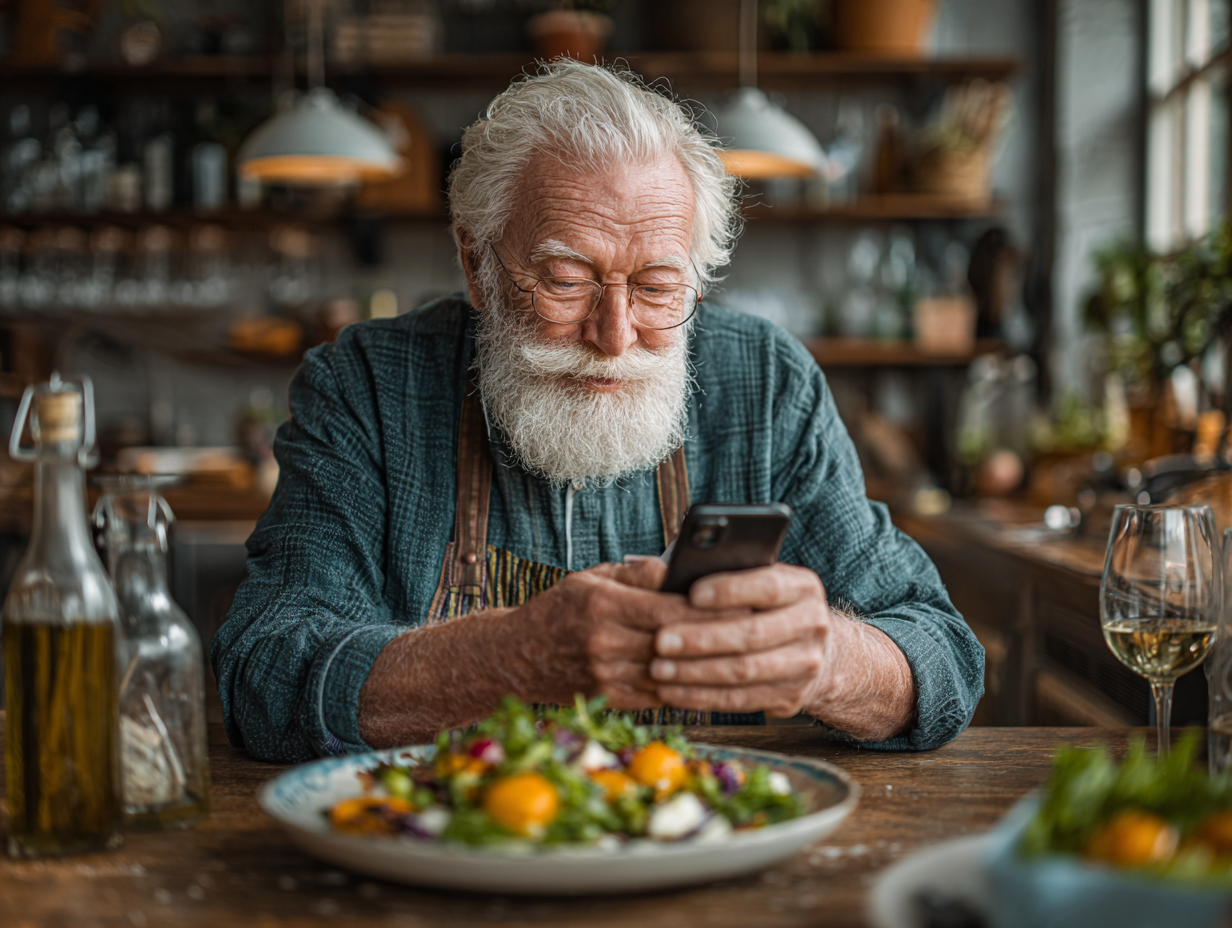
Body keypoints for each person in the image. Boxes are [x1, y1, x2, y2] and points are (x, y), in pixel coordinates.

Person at [211, 61, 984, 764]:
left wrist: (828, 661)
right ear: (477, 265)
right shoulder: (369, 386)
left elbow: (944, 657)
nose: (614, 338)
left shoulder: (766, 381)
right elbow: (263, 674)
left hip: (703, 841)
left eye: (657, 288)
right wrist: (505, 660)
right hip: (455, 840)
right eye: (566, 280)